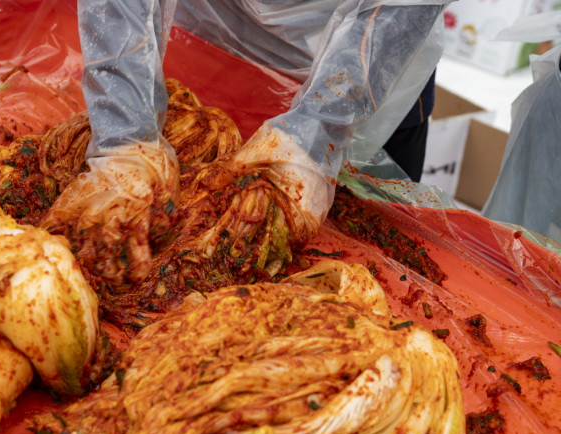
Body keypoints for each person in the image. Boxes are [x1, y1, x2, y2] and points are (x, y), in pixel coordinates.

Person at [41, 0, 453, 285]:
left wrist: (320, 132)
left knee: (373, 233)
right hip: (216, 29)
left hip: (371, 51)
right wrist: (124, 138)